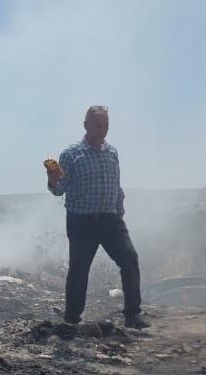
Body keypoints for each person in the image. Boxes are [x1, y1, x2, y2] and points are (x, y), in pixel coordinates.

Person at [46, 106, 149, 329]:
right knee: (79, 270)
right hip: (81, 221)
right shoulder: (72, 154)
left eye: (106, 126)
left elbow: (116, 186)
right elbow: (59, 189)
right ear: (86, 126)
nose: (103, 131)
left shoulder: (112, 152)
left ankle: (133, 315)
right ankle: (72, 319)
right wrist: (53, 180)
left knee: (130, 260)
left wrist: (119, 212)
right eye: (98, 126)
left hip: (110, 220)